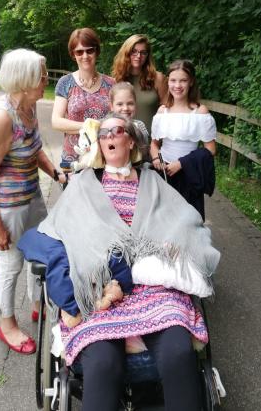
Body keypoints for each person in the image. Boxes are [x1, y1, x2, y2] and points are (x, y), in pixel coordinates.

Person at [18, 113, 220, 411]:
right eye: (104, 133)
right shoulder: (83, 183)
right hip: (101, 287)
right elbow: (60, 230)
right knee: (103, 362)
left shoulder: (153, 180)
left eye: (118, 130)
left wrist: (174, 244)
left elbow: (184, 222)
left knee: (178, 353)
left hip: (155, 286)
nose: (111, 136)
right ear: (99, 144)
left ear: (131, 140)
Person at [0, 48, 65, 355]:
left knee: (40, 252)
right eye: (41, 75)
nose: (45, 79)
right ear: (24, 80)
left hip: (33, 196)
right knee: (10, 264)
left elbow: (35, 149)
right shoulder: (3, 118)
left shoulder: (29, 108)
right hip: (8, 207)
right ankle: (7, 325)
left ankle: (38, 302)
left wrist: (56, 173)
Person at [150, 59, 217, 220]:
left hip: (188, 174)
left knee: (188, 221)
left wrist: (182, 163)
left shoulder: (200, 112)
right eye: (173, 80)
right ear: (168, 82)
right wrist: (155, 157)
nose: (177, 85)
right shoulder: (162, 111)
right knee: (164, 221)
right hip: (165, 174)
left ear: (191, 82)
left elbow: (211, 149)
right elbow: (154, 143)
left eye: (183, 80)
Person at [52, 27, 114, 165]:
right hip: (73, 159)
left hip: (106, 159)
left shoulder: (112, 84)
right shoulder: (65, 83)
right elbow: (56, 121)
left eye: (89, 50)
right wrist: (91, 127)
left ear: (96, 51)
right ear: (73, 54)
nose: (85, 56)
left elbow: (118, 119)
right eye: (79, 52)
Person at [111, 34, 167, 131]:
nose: (138, 56)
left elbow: (169, 111)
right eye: (134, 51)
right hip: (125, 140)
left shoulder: (158, 79)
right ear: (126, 53)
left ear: (147, 55)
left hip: (153, 141)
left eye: (143, 52)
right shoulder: (116, 80)